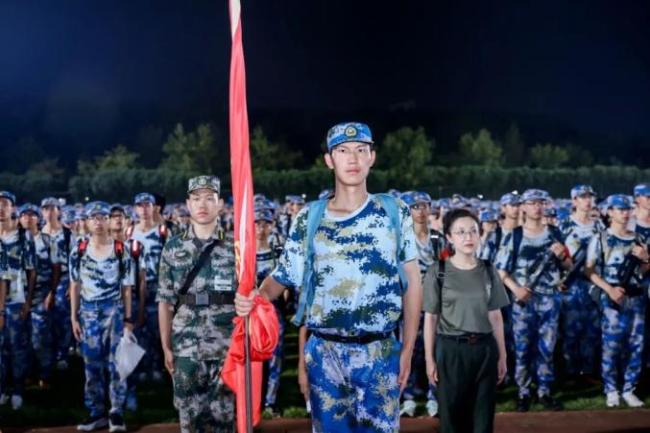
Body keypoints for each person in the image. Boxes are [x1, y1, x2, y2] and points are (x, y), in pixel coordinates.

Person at [236, 122, 423, 433]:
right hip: (326, 355)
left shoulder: (393, 211)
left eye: (361, 150)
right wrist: (257, 296)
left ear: (372, 157)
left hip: (379, 352)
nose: (353, 158)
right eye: (343, 151)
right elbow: (283, 276)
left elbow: (413, 282)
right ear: (329, 160)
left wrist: (408, 350)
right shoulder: (309, 217)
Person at [157, 175, 237, 433]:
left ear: (220, 204)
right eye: (196, 198)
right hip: (186, 346)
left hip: (226, 346)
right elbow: (165, 302)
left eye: (209, 198)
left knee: (224, 418)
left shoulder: (236, 246)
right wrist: (166, 346)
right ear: (188, 204)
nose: (202, 204)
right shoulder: (172, 248)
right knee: (189, 419)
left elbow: (249, 296)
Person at [423, 208, 509, 433]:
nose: (468, 237)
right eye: (460, 232)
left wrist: (502, 355)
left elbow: (496, 316)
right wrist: (430, 359)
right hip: (452, 350)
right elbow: (430, 319)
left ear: (480, 234)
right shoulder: (438, 271)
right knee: (452, 418)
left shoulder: (488, 270)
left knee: (483, 416)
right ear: (449, 237)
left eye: (473, 231)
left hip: (484, 350)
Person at [495, 189, 572, 412]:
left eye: (541, 203)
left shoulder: (555, 233)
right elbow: (501, 271)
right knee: (522, 347)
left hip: (550, 298)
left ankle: (544, 391)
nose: (537, 207)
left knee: (547, 347)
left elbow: (568, 265)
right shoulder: (515, 235)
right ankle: (523, 391)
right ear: (524, 207)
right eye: (532, 203)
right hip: (524, 300)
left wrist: (562, 255)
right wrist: (516, 290)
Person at [70, 201, 135, 432]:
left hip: (114, 311)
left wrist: (128, 320)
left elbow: (127, 288)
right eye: (93, 217)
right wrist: (74, 317)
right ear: (87, 222)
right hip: (88, 313)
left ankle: (116, 412)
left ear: (109, 221)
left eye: (102, 217)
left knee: (117, 364)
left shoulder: (120, 249)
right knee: (91, 365)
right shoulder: (79, 249)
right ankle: (96, 412)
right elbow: (75, 285)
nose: (98, 222)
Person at [584, 194, 649, 408]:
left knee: (636, 345)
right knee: (611, 345)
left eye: (627, 209)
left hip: (635, 297)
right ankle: (611, 389)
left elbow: (644, 270)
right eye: (620, 209)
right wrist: (609, 290)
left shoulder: (638, 239)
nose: (625, 213)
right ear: (610, 212)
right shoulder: (600, 238)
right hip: (612, 296)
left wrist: (646, 258)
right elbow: (590, 271)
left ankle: (629, 389)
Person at [399, 191, 439, 418]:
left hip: (435, 306)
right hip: (409, 306)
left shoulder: (439, 239)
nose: (421, 211)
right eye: (415, 207)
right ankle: (409, 398)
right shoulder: (400, 240)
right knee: (409, 350)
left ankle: (434, 396)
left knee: (434, 350)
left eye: (424, 205)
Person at [558, 185, 602, 381]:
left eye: (590, 197)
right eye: (583, 197)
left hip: (593, 283)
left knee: (592, 329)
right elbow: (557, 257)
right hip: (571, 284)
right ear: (574, 201)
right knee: (570, 330)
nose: (588, 201)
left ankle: (588, 370)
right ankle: (570, 371)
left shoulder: (599, 226)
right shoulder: (564, 225)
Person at [0, 191, 36, 411]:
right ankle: (3, 388)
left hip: (16, 300)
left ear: (13, 208)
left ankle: (18, 389)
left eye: (4, 204)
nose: (0, 208)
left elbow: (32, 272)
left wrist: (28, 301)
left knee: (17, 347)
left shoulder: (23, 237)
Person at [20, 204, 62, 389]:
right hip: (20, 296)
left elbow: (56, 269)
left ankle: (45, 374)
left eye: (32, 215)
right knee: (23, 339)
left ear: (38, 219)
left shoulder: (47, 241)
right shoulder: (15, 240)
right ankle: (27, 373)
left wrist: (52, 292)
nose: (28, 219)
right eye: (24, 215)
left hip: (41, 295)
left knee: (40, 338)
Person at [127, 193, 167, 382]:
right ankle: (142, 367)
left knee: (157, 328)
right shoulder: (129, 232)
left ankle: (157, 365)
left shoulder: (162, 232)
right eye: (140, 206)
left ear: (154, 208)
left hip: (158, 285)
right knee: (138, 327)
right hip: (136, 287)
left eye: (147, 205)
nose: (144, 209)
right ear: (135, 209)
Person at [41, 197, 74, 371]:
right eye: (46, 209)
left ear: (59, 211)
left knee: (63, 316)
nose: (49, 212)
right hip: (43, 280)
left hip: (64, 278)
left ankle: (63, 353)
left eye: (53, 208)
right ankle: (48, 354)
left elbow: (75, 260)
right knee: (45, 318)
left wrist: (72, 284)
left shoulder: (67, 234)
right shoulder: (38, 234)